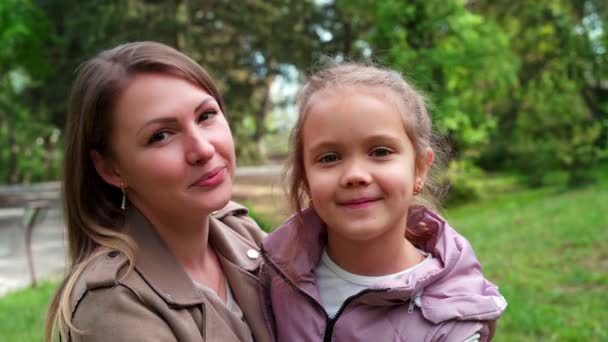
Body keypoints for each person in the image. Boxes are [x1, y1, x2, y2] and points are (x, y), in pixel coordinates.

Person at [259, 63, 507, 341]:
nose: (355, 175)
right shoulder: (277, 276)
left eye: (379, 151)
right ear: (306, 179)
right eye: (329, 157)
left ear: (419, 169)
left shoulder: (451, 321)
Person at [45, 42, 272, 342]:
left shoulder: (241, 232)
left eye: (206, 115)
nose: (203, 149)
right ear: (112, 169)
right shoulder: (114, 305)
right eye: (161, 136)